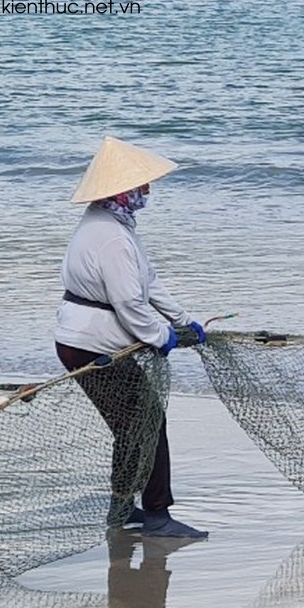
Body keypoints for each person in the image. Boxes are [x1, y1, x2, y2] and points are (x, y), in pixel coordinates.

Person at [55, 136, 209, 539]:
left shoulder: (112, 225)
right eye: (141, 185)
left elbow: (148, 283)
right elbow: (129, 305)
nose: (147, 191)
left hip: (86, 340)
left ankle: (123, 507)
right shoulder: (111, 237)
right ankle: (156, 515)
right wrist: (161, 337)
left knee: (132, 426)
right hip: (90, 346)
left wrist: (184, 320)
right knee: (148, 422)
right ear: (121, 191)